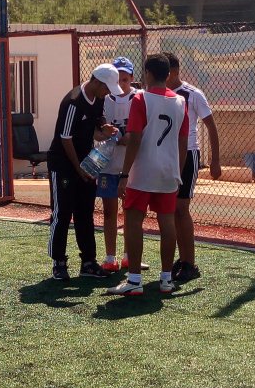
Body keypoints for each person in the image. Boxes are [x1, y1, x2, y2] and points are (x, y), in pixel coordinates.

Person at [106, 54, 188, 296]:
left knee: (133, 220)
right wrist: (177, 171)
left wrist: (124, 175)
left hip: (143, 170)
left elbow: (135, 139)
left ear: (148, 74)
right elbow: (183, 142)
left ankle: (134, 280)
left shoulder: (141, 98)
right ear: (168, 74)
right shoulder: (180, 101)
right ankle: (166, 279)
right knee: (167, 222)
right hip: (168, 171)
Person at [47, 63, 121, 280]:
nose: (107, 93)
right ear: (96, 81)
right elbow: (65, 138)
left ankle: (88, 262)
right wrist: (78, 168)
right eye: (106, 88)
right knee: (62, 213)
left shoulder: (99, 99)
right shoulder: (73, 101)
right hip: (63, 165)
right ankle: (59, 262)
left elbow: (96, 127)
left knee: (85, 212)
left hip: (86, 164)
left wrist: (104, 129)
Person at [164, 51, 221, 285]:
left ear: (174, 72)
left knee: (181, 208)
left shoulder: (193, 94)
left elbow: (211, 126)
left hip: (188, 154)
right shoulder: (158, 93)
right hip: (167, 155)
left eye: (165, 71)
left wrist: (215, 160)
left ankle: (190, 264)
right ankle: (183, 258)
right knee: (171, 209)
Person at [98, 56, 148, 273]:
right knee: (109, 211)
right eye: (117, 79)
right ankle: (110, 257)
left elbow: (146, 127)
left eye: (125, 79)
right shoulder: (103, 99)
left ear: (132, 78)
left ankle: (129, 256)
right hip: (108, 163)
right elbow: (97, 129)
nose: (121, 84)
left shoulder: (140, 98)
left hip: (132, 164)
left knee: (132, 211)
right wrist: (108, 134)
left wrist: (131, 137)